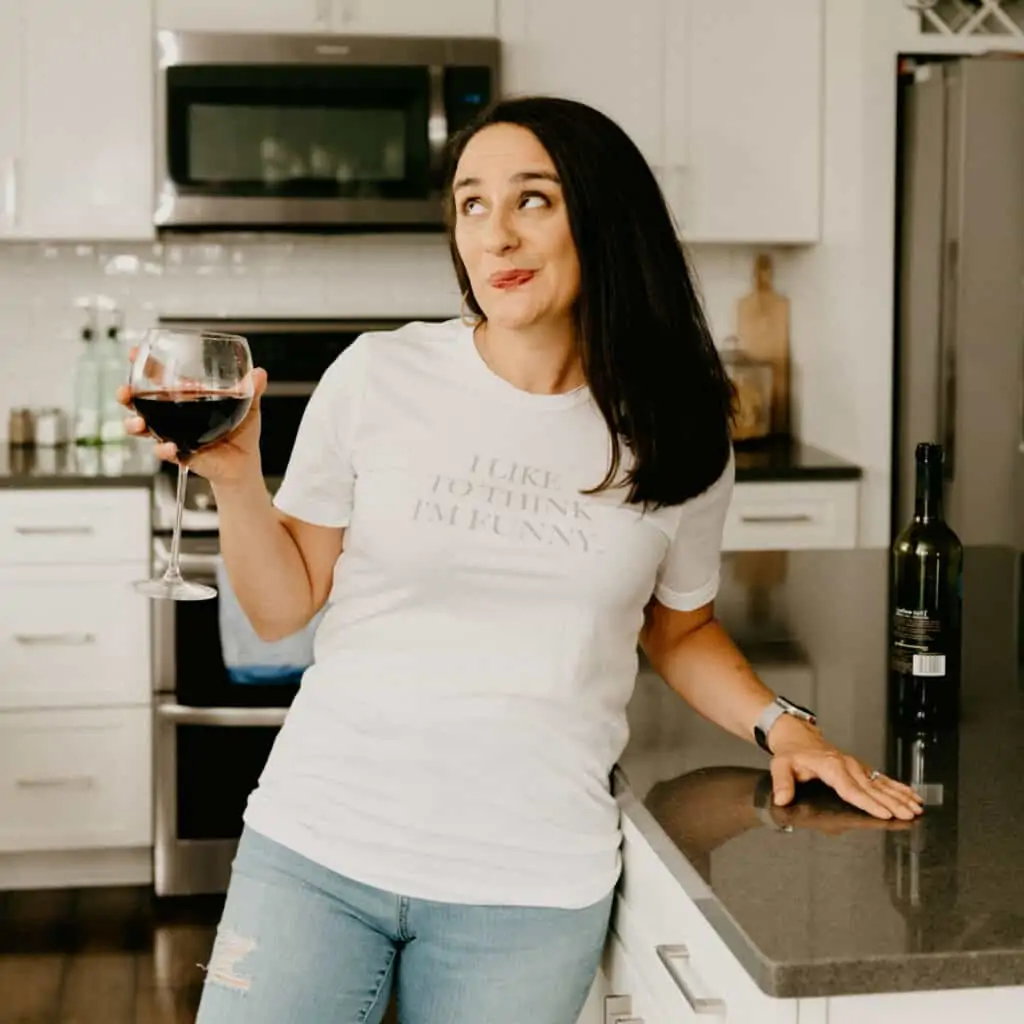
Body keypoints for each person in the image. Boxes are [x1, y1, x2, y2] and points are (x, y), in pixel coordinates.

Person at [120, 96, 923, 1024]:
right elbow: (280, 607)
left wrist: (786, 726)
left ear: (602, 216)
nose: (494, 233)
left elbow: (681, 628)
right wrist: (235, 479)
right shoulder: (379, 375)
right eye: (470, 204)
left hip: (528, 881)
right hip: (318, 843)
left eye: (532, 200)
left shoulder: (677, 430)